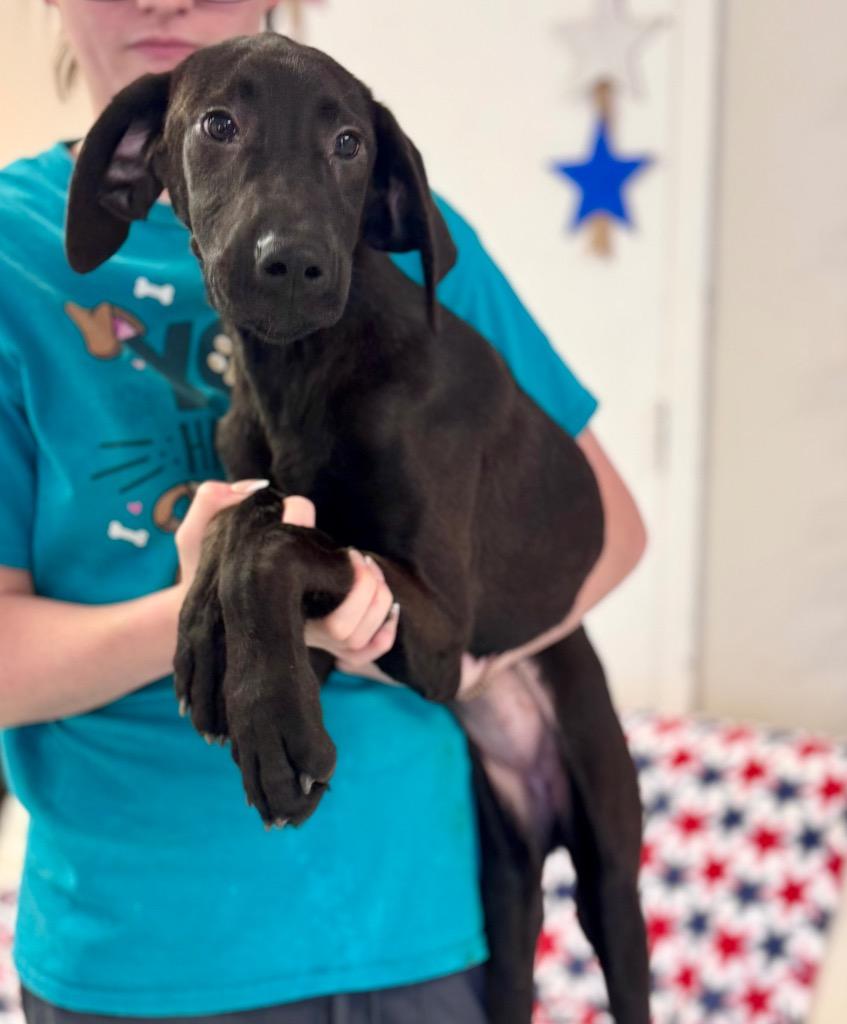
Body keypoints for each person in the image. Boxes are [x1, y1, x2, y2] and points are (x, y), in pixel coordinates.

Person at [0, 1, 647, 1022]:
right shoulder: (12, 249)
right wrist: (215, 602)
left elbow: (607, 527)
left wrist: (440, 648)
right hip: (141, 960)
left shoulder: (410, 263)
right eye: (219, 128)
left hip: (427, 936)